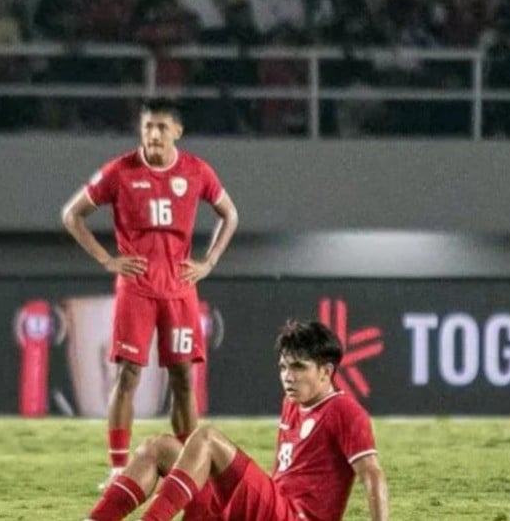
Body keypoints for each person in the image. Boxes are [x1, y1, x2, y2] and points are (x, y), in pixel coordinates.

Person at [62, 98, 239, 487]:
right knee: (127, 375)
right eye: (147, 127)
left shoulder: (196, 171)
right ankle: (116, 470)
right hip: (136, 289)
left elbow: (231, 214)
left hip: (179, 291)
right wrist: (106, 259)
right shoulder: (120, 171)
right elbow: (71, 214)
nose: (154, 134)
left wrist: (208, 263)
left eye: (161, 127)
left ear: (177, 131)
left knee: (182, 379)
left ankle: (188, 468)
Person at [84, 319, 389, 521]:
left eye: (298, 367)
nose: (287, 377)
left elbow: (372, 475)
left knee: (206, 439)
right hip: (268, 510)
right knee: (158, 446)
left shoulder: (345, 412)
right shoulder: (293, 402)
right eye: (283, 367)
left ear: (326, 370)